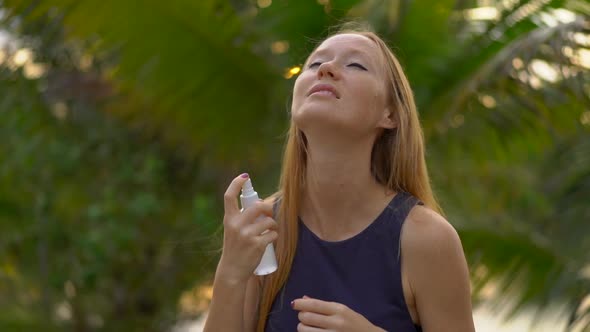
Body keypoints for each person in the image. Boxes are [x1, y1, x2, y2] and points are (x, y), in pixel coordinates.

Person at [204, 24, 475, 332]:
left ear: (390, 114)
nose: (327, 69)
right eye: (315, 64)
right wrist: (230, 272)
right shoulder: (264, 230)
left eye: (355, 64)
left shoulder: (426, 239)